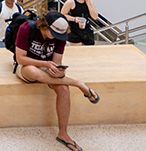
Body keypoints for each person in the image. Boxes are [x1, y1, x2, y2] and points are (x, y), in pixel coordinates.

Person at [12, 12, 100, 151]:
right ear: (44, 26)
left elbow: (56, 62)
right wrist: (46, 64)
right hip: (26, 66)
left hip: (47, 68)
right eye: (53, 33)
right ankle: (77, 83)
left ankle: (63, 133)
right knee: (33, 71)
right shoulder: (27, 28)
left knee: (64, 89)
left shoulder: (60, 36)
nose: (56, 37)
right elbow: (20, 59)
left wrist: (59, 71)